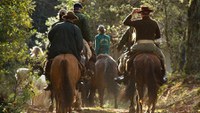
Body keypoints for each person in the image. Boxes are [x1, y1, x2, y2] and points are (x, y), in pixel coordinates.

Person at [118, 6, 167, 85]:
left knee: (126, 57)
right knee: (161, 58)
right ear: (149, 13)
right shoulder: (154, 22)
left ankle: (125, 76)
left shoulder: (138, 22)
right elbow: (158, 36)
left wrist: (132, 13)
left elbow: (125, 22)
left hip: (138, 45)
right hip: (151, 45)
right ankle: (163, 76)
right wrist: (150, 38)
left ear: (141, 14)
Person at [44, 11, 84, 90]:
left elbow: (50, 36)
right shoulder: (76, 28)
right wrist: (79, 50)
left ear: (65, 18)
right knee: (82, 66)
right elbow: (80, 43)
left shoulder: (57, 26)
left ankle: (49, 82)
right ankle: (80, 80)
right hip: (72, 52)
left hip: (56, 52)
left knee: (48, 65)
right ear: (73, 19)